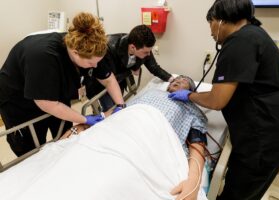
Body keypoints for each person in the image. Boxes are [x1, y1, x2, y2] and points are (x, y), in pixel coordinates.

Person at [168, 0, 279, 199]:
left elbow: (216, 100)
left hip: (264, 140)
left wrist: (189, 95)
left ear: (220, 20)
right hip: (276, 129)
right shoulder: (255, 34)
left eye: (210, 23)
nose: (211, 32)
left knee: (237, 194)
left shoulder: (239, 42)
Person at [63, 75, 210, 200]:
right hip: (122, 126)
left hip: (152, 137)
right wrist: (84, 124)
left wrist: (193, 180)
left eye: (183, 80)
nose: (176, 81)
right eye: (175, 79)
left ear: (191, 90)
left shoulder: (191, 108)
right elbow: (121, 111)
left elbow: (197, 144)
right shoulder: (151, 92)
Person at [0, 12, 125, 157]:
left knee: (63, 134)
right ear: (75, 52)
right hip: (20, 102)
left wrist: (121, 105)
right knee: (32, 148)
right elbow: (46, 103)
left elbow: (108, 79)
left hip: (55, 96)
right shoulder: (44, 57)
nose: (96, 66)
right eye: (91, 63)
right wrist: (85, 119)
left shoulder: (93, 49)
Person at [84, 24, 174, 112]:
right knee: (109, 110)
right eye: (146, 52)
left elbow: (154, 67)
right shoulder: (108, 49)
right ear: (132, 47)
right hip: (101, 85)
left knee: (117, 107)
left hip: (119, 82)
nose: (149, 54)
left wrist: (172, 79)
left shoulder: (142, 45)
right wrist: (130, 71)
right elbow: (110, 79)